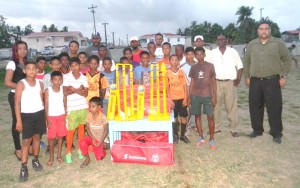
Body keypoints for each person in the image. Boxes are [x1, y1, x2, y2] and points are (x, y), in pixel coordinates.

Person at [243, 21, 291, 144]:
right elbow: (247, 61)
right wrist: (247, 77)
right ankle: (257, 130)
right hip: (255, 81)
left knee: (274, 108)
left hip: (272, 81)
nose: (263, 31)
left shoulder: (278, 43)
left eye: (266, 29)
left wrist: (283, 76)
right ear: (257, 31)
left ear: (270, 30)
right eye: (261, 29)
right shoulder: (252, 44)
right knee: (255, 107)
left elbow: (287, 59)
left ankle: (276, 133)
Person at [14, 62, 46, 182]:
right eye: (28, 69)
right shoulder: (21, 84)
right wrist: (19, 120)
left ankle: (35, 159)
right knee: (26, 141)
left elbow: (41, 100)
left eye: (34, 69)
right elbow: (17, 103)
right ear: (24, 71)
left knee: (37, 137)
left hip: (39, 114)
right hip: (26, 116)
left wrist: (44, 116)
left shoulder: (40, 84)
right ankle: (23, 166)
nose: (31, 71)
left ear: (37, 70)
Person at [209, 34, 243, 137]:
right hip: (217, 82)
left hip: (230, 82)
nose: (221, 41)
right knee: (215, 105)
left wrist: (238, 79)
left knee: (231, 106)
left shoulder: (233, 52)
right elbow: (209, 69)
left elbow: (240, 67)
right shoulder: (212, 53)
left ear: (226, 40)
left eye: (223, 39)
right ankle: (216, 127)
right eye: (219, 39)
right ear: (217, 41)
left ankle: (233, 128)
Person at [189, 47, 217, 149]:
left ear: (204, 54)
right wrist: (189, 96)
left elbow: (213, 82)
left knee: (210, 116)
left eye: (201, 54)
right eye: (197, 54)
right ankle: (201, 136)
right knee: (197, 116)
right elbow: (192, 82)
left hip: (207, 95)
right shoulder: (194, 67)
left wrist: (214, 96)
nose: (199, 56)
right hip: (196, 95)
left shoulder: (210, 66)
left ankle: (212, 139)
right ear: (195, 56)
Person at [4, 41, 27, 161]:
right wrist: (21, 87)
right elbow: (7, 82)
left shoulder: (27, 63)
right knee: (17, 122)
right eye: (20, 48)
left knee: (27, 121)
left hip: (27, 97)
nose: (22, 50)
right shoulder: (12, 63)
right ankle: (18, 149)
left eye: (25, 48)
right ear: (15, 50)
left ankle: (26, 146)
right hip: (15, 97)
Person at [63, 57, 88, 163]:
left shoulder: (84, 78)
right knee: (70, 131)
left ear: (80, 65)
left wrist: (72, 88)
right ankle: (68, 153)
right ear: (70, 66)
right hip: (71, 108)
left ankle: (79, 150)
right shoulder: (66, 77)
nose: (74, 67)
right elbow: (65, 93)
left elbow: (85, 93)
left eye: (76, 65)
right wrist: (78, 89)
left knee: (81, 130)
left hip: (82, 107)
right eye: (72, 65)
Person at [44, 71, 67, 166]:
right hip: (51, 117)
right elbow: (46, 105)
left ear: (62, 80)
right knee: (51, 138)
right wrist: (47, 118)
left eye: (59, 79)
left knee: (61, 136)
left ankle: (59, 155)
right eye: (55, 80)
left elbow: (65, 102)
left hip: (61, 115)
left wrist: (65, 113)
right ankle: (51, 156)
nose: (57, 82)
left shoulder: (62, 90)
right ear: (51, 80)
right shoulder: (48, 90)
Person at [166, 55, 190, 144]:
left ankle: (183, 136)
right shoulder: (167, 73)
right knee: (174, 118)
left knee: (184, 117)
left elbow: (185, 85)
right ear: (170, 61)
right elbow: (167, 88)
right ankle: (175, 135)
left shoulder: (181, 72)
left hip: (182, 98)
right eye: (172, 60)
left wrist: (185, 98)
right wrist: (170, 100)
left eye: (176, 60)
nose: (174, 62)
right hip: (173, 99)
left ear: (178, 62)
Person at [79, 97, 108, 168]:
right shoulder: (89, 115)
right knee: (82, 142)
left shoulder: (103, 117)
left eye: (93, 107)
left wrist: (100, 142)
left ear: (99, 107)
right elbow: (87, 128)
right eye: (90, 106)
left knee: (99, 158)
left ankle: (103, 148)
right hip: (91, 138)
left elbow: (105, 131)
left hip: (99, 139)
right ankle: (87, 158)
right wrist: (92, 139)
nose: (90, 108)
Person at [180, 47, 196, 135]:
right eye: (188, 54)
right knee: (187, 108)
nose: (190, 56)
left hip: (197, 88)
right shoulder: (182, 67)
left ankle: (196, 125)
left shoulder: (198, 65)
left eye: (191, 54)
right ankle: (187, 127)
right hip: (187, 88)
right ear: (185, 55)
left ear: (194, 55)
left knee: (196, 108)